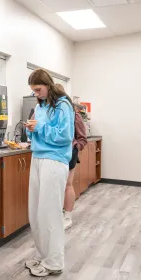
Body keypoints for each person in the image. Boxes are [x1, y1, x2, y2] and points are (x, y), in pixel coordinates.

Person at [24, 69, 74, 277]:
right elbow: (36, 130)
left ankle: (54, 262)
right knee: (35, 212)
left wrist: (41, 127)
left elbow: (64, 135)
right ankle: (42, 255)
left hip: (54, 160)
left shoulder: (62, 105)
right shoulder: (40, 105)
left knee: (50, 212)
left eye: (38, 89)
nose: (36, 93)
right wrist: (30, 127)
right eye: (33, 91)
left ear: (47, 84)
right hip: (38, 157)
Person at [55, 84, 87, 230]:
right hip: (52, 154)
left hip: (69, 152)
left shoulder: (73, 113)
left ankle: (67, 217)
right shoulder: (46, 111)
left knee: (67, 184)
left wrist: (75, 147)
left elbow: (82, 138)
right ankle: (56, 215)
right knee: (55, 186)